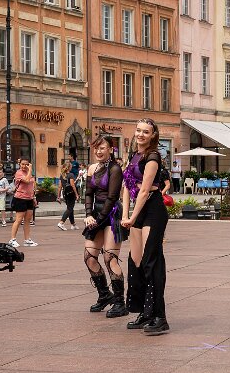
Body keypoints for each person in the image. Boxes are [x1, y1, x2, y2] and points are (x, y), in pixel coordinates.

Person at [122, 118, 170, 335]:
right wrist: (125, 215)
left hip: (153, 209)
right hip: (138, 211)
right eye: (139, 130)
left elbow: (144, 190)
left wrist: (133, 215)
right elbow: (127, 185)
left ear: (153, 135)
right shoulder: (134, 156)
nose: (141, 134)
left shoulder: (153, 157)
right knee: (136, 261)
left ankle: (160, 316)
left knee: (152, 262)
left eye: (146, 132)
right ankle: (144, 311)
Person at [83, 135, 129, 317]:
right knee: (89, 257)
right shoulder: (92, 168)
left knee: (110, 258)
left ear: (111, 148)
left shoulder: (115, 168)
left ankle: (120, 303)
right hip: (95, 214)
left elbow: (112, 197)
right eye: (96, 148)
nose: (98, 151)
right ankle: (104, 295)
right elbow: (88, 193)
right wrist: (88, 215)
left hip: (111, 215)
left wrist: (98, 219)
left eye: (102, 148)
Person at [8, 157, 37, 247]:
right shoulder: (19, 173)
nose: (24, 166)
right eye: (22, 164)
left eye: (26, 164)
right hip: (20, 198)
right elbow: (27, 180)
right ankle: (12, 239)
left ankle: (27, 239)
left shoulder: (30, 173)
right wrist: (30, 169)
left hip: (29, 198)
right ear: (19, 165)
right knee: (19, 219)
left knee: (27, 220)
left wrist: (34, 197)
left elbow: (32, 185)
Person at [57, 161, 79, 231]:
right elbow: (72, 185)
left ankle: (73, 224)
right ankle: (61, 222)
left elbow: (60, 187)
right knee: (70, 208)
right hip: (71, 193)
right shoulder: (71, 175)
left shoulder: (62, 175)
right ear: (69, 167)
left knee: (70, 208)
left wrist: (58, 196)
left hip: (65, 193)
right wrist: (76, 194)